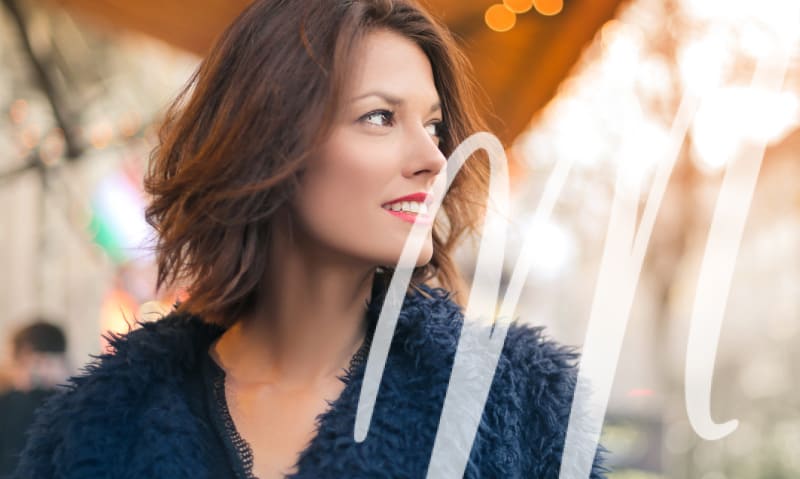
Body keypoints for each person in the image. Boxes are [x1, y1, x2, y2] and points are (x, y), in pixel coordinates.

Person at [15, 1, 608, 478]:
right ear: (270, 140)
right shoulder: (100, 427)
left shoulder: (516, 411)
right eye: (379, 117)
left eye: (432, 126)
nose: (434, 158)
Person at [0, 320, 69, 476]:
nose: (39, 373)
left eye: (48, 363)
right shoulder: (5, 405)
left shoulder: (74, 407)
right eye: (31, 363)